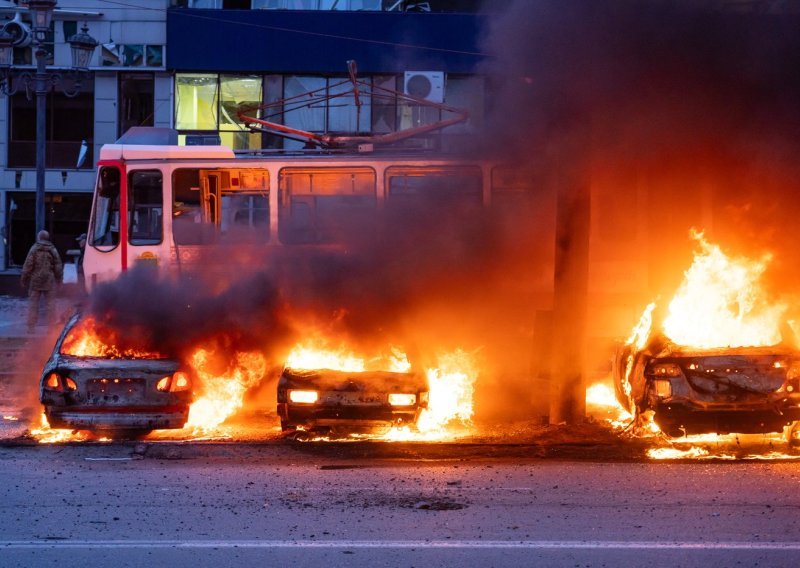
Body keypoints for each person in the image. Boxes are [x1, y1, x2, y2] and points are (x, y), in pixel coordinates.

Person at [20, 230, 63, 333]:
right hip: (49, 280)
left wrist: (23, 278)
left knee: (33, 304)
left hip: (35, 280)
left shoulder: (34, 249)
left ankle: (31, 328)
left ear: (39, 238)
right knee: (50, 305)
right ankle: (51, 328)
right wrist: (59, 280)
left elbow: (28, 265)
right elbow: (58, 266)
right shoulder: (53, 249)